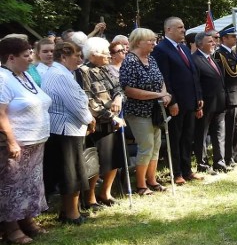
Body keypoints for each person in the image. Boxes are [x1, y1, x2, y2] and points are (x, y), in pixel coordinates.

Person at [0, 36, 52, 244]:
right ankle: (11, 229)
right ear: (11, 58)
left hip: (35, 141)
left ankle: (27, 221)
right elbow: (1, 114)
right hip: (15, 143)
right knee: (11, 186)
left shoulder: (23, 76)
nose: (31, 58)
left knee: (29, 185)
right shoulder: (3, 78)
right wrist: (11, 141)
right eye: (26, 55)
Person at [41, 41, 94, 224]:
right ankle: (71, 214)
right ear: (64, 57)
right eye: (76, 56)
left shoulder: (60, 73)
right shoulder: (60, 75)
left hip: (65, 129)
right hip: (65, 130)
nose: (80, 60)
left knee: (70, 172)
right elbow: (76, 104)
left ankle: (70, 210)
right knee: (71, 173)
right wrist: (90, 119)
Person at [152, 17, 203, 184]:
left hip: (190, 101)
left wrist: (198, 97)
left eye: (183, 27)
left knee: (188, 137)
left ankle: (187, 170)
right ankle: (177, 172)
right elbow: (164, 79)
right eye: (180, 27)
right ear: (168, 30)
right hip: (176, 103)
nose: (183, 30)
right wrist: (172, 101)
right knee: (176, 137)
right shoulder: (161, 49)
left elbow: (193, 74)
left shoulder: (184, 48)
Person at [120, 28, 171, 195]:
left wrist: (163, 94)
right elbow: (129, 90)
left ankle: (152, 179)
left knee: (155, 145)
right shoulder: (130, 61)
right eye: (150, 40)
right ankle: (141, 185)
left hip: (155, 109)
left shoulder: (151, 59)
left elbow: (160, 79)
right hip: (138, 111)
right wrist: (158, 95)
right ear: (138, 42)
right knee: (146, 145)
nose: (153, 43)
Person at [78, 37, 124, 208]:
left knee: (113, 159)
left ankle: (106, 193)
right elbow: (90, 101)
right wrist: (112, 117)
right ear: (93, 54)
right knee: (94, 162)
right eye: (105, 53)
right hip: (96, 125)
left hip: (113, 123)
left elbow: (118, 87)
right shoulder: (83, 72)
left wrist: (118, 97)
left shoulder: (105, 69)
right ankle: (90, 199)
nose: (109, 56)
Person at [192, 32, 228, 173]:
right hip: (205, 104)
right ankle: (202, 164)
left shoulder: (211, 58)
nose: (214, 43)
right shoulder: (195, 60)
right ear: (200, 44)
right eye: (210, 41)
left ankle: (220, 162)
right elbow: (195, 84)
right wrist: (198, 103)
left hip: (219, 103)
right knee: (201, 134)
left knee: (219, 133)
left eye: (213, 41)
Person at [215, 25, 237, 167]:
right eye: (232, 36)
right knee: (229, 129)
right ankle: (228, 158)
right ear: (224, 38)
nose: (235, 38)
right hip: (230, 97)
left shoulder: (233, 53)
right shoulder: (219, 54)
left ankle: (236, 155)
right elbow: (222, 79)